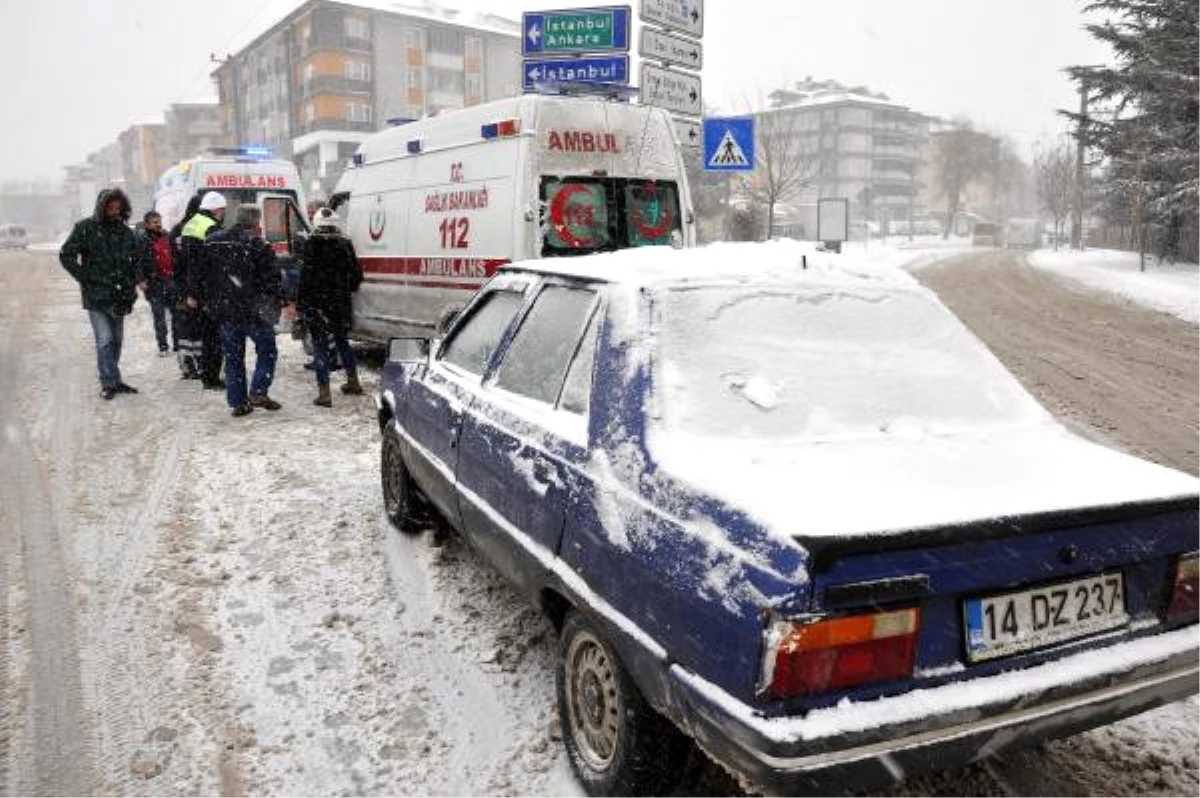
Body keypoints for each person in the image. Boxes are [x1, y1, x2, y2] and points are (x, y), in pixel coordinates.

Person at [59, 188, 147, 400]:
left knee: (116, 340)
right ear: (102, 206)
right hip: (96, 295)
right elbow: (66, 254)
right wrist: (84, 276)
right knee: (105, 339)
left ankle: (113, 378)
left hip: (121, 296)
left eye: (118, 207)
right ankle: (108, 382)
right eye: (110, 207)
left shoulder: (126, 233)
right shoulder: (85, 228)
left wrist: (136, 281)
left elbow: (136, 261)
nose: (114, 211)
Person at [200, 204, 285, 417]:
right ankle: (258, 390)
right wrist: (279, 300)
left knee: (233, 356)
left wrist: (211, 300)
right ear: (257, 222)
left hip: (226, 310)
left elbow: (205, 275)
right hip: (253, 311)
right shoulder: (258, 244)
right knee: (267, 350)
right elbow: (272, 279)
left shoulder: (214, 242)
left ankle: (238, 402)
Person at [297, 207, 364, 407]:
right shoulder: (345, 243)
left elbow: (305, 278)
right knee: (343, 342)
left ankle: (324, 393)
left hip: (317, 305)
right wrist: (343, 289)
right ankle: (353, 382)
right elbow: (356, 277)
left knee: (320, 347)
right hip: (339, 303)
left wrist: (303, 303)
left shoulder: (310, 244)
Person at [181, 191, 227, 389]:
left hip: (195, 286)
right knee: (213, 336)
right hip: (209, 288)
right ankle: (212, 377)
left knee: (206, 335)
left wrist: (191, 291)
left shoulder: (190, 224)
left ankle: (208, 375)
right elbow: (212, 263)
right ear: (217, 209)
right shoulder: (210, 227)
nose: (224, 213)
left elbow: (188, 263)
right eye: (223, 210)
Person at [170, 195, 204, 377]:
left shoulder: (177, 230)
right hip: (193, 285)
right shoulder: (197, 228)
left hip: (180, 284)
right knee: (195, 327)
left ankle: (187, 364)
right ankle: (196, 363)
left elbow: (175, 262)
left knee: (185, 326)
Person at [136, 210, 178, 356]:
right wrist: (141, 280)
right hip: (154, 283)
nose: (158, 224)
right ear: (147, 225)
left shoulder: (167, 236)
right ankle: (163, 345)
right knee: (159, 315)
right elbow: (138, 262)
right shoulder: (142, 240)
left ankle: (177, 344)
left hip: (170, 281)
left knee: (176, 314)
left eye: (159, 221)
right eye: (155, 222)